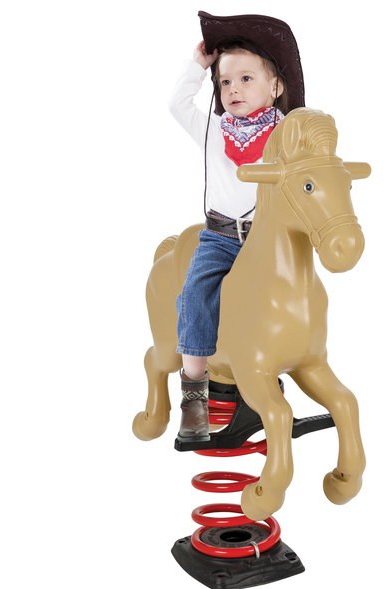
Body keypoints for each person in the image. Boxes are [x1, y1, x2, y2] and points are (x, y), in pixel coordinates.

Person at [168, 39, 287, 442]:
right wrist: (198, 65)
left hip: (267, 239)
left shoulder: (287, 132)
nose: (233, 89)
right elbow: (178, 105)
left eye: (246, 79)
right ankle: (194, 398)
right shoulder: (215, 130)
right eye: (224, 82)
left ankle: (270, 374)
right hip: (220, 238)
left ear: (275, 87)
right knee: (196, 294)